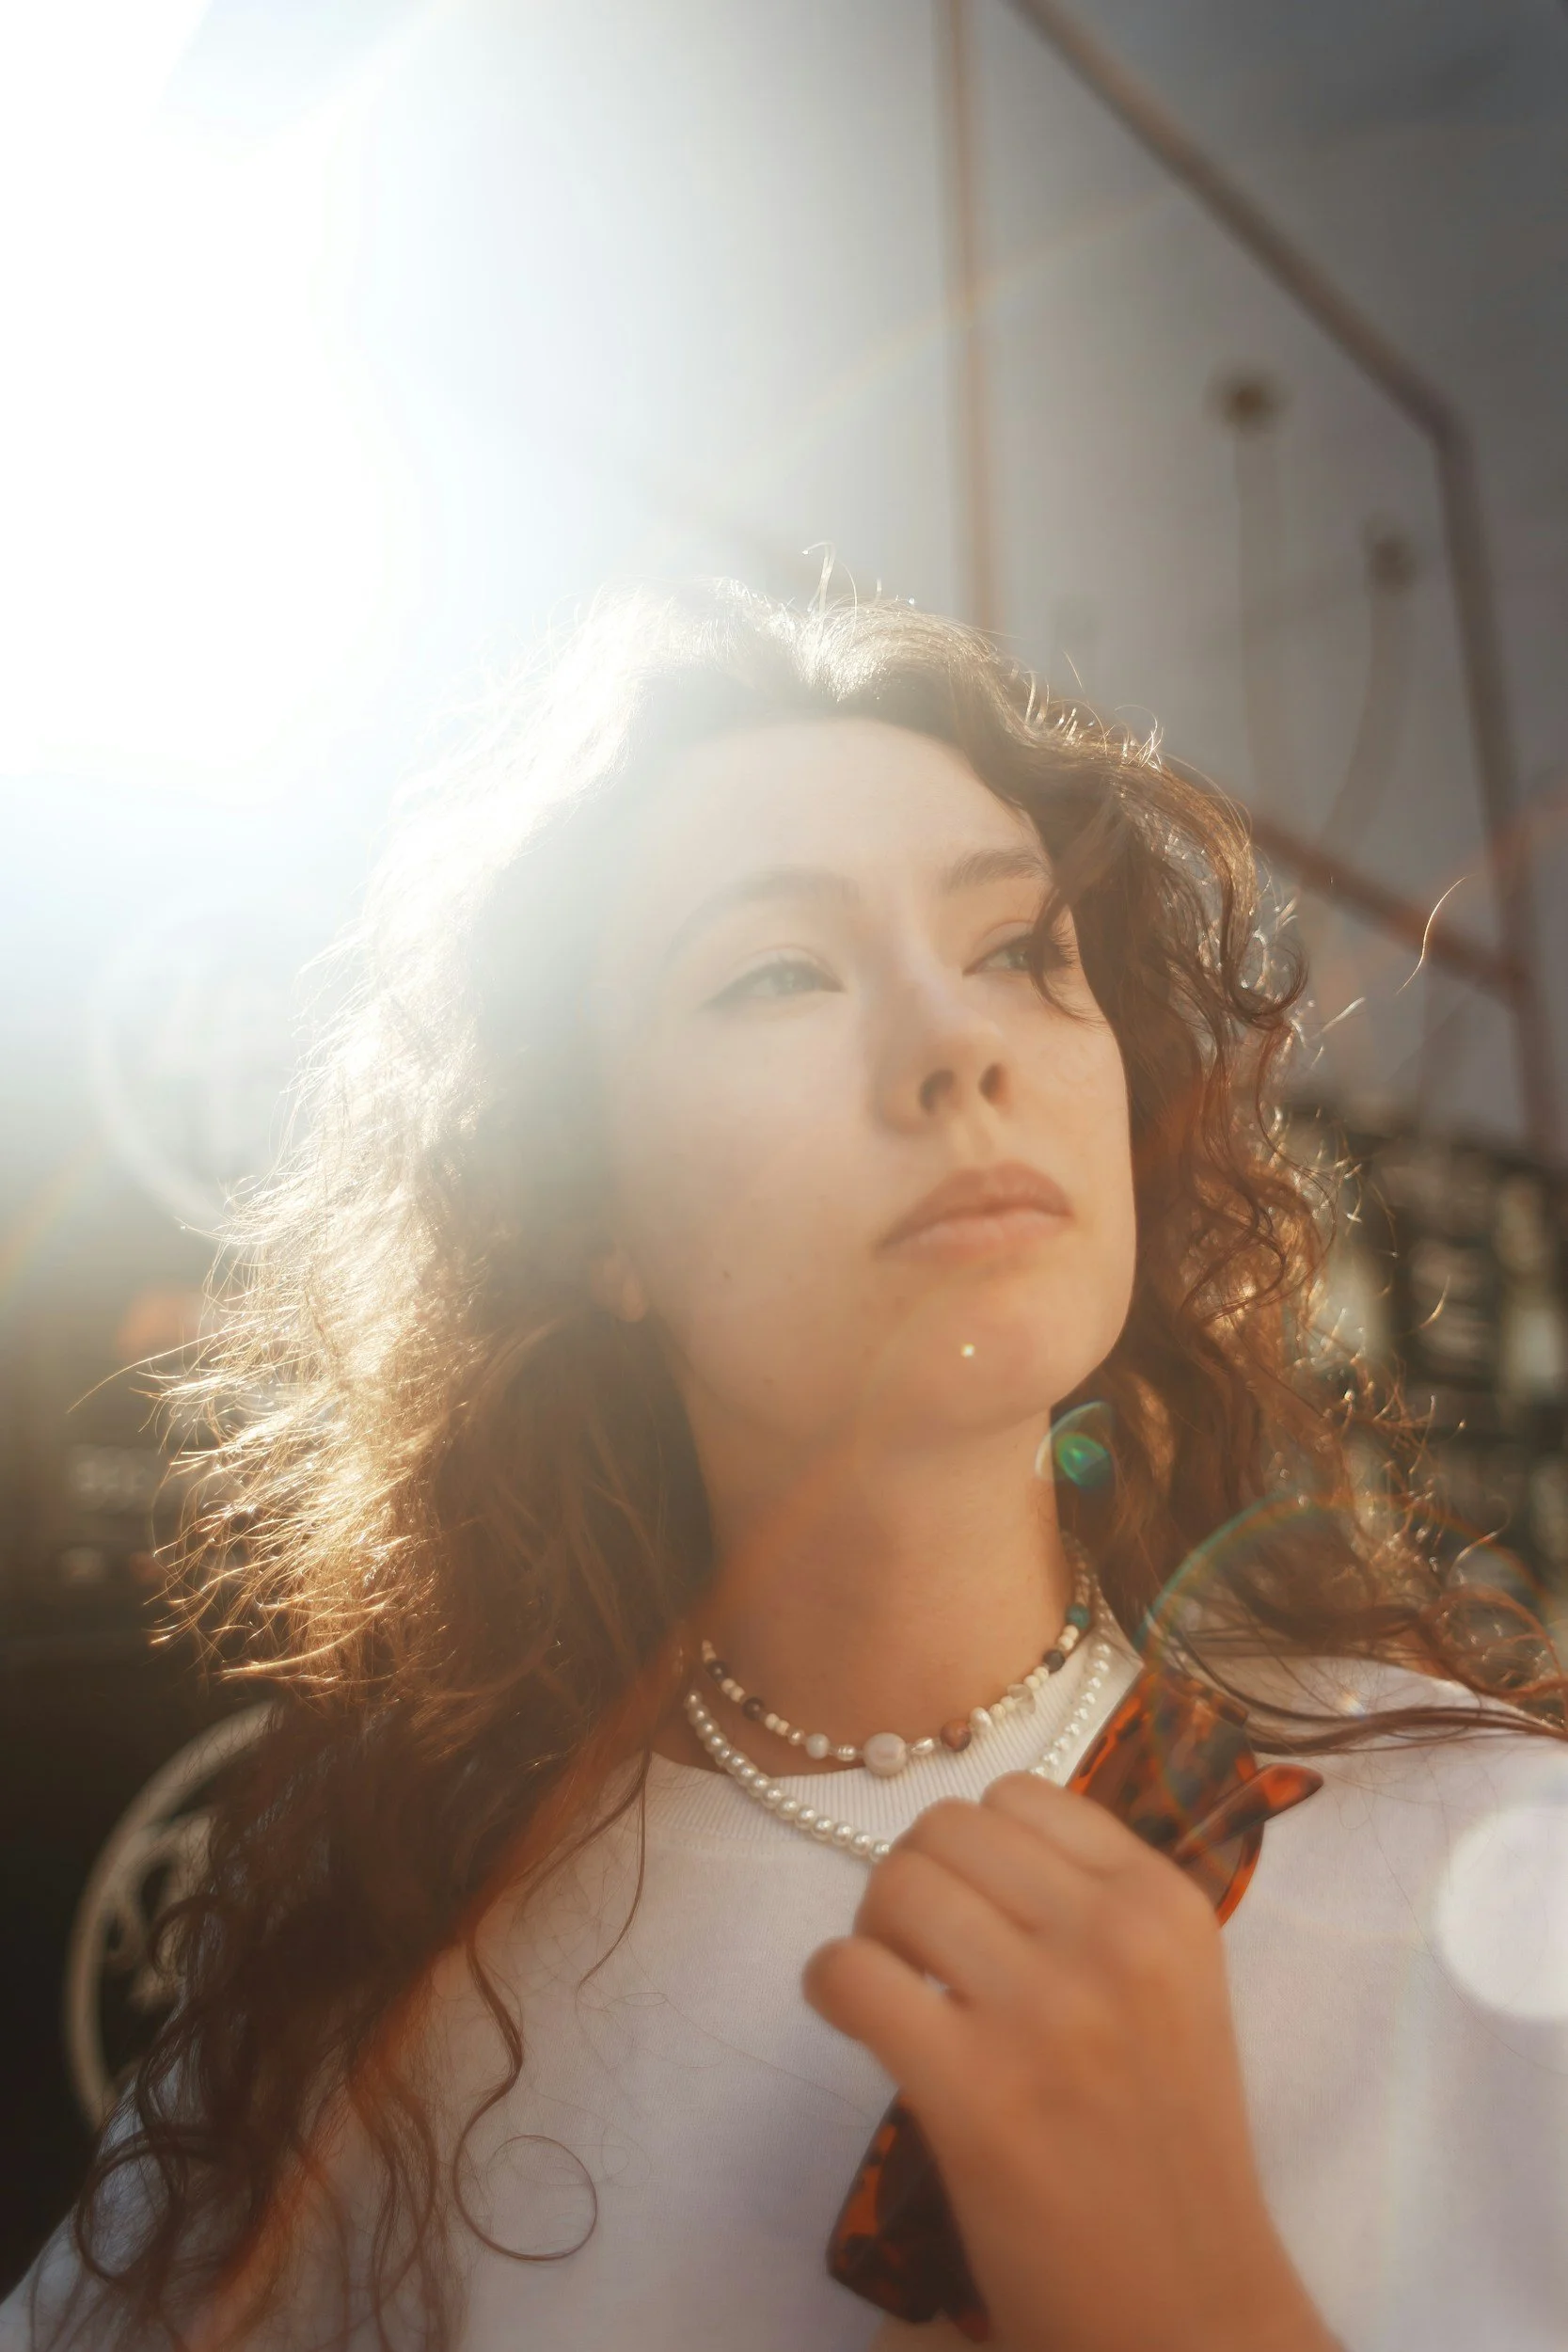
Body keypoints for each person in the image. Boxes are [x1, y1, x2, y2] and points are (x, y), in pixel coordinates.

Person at [6, 582, 1565, 2352]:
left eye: (1017, 951)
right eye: (776, 973)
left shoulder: (1488, 1855)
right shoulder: (385, 1948)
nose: (958, 1043)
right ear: (588, 1213)